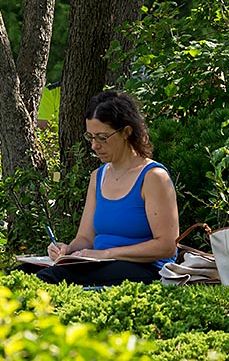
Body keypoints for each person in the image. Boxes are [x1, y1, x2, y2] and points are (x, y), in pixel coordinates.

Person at [27, 90, 179, 287]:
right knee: (21, 274)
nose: (94, 146)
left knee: (48, 280)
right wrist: (67, 251)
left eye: (102, 137)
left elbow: (166, 246)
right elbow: (85, 238)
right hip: (99, 264)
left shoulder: (153, 177)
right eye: (90, 137)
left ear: (126, 132)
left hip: (145, 269)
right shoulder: (98, 176)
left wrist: (107, 253)